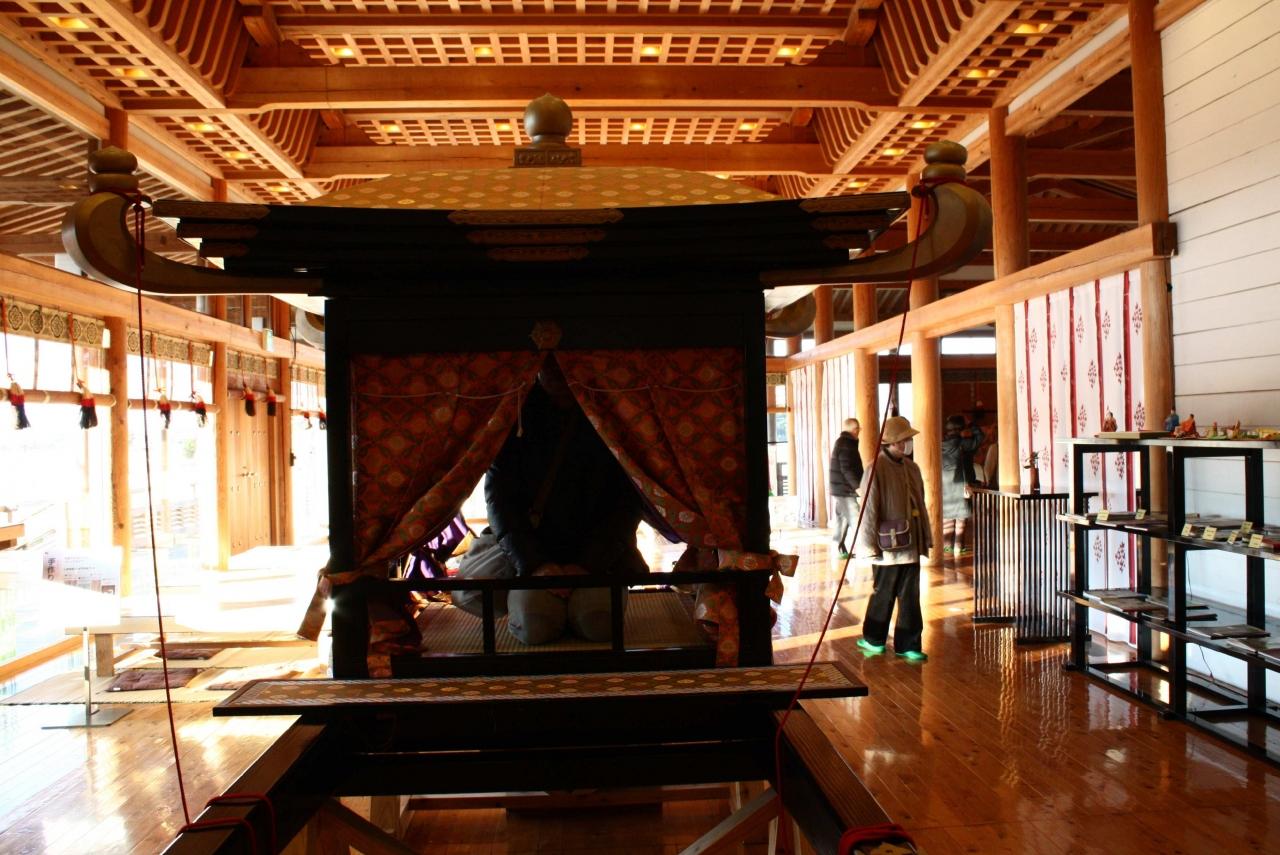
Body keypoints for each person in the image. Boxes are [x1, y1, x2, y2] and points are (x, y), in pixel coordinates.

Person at [455, 359, 647, 644]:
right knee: (536, 625)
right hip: (533, 550)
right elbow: (500, 502)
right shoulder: (514, 413)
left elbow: (627, 503)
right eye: (547, 363)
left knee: (598, 622)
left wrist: (588, 564)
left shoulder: (613, 413)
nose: (556, 370)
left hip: (598, 555)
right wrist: (535, 565)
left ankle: (571, 609)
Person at [855, 415, 931, 662]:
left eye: (907, 440)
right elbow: (868, 510)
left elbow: (921, 505)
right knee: (884, 593)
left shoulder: (912, 468)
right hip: (886, 547)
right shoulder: (875, 468)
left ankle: (908, 644)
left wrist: (925, 537)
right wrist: (868, 546)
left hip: (911, 544)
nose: (906, 444)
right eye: (903, 440)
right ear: (891, 442)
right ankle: (874, 639)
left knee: (910, 597)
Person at [941, 414, 984, 556]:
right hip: (961, 485)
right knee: (961, 516)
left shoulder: (940, 444)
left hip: (945, 486)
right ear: (960, 429)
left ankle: (947, 546)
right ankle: (959, 547)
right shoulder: (963, 444)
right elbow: (980, 438)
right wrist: (971, 424)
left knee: (947, 515)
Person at [828, 417, 863, 559]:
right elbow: (846, 468)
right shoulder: (846, 444)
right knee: (856, 518)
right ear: (855, 429)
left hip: (840, 488)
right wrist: (857, 487)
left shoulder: (843, 442)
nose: (859, 432)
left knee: (842, 520)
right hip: (845, 489)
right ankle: (865, 550)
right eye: (859, 429)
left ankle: (838, 549)